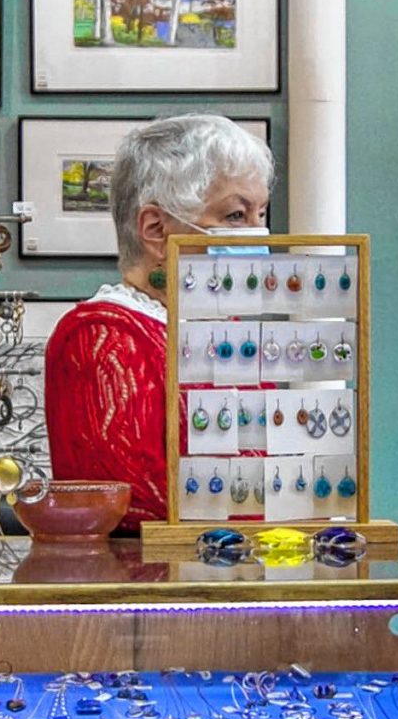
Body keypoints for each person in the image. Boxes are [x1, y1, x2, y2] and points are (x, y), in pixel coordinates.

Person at [43, 114, 274, 527]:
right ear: (156, 230)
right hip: (155, 584)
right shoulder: (102, 338)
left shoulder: (226, 332)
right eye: (236, 217)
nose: (258, 234)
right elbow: (134, 503)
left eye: (261, 214)